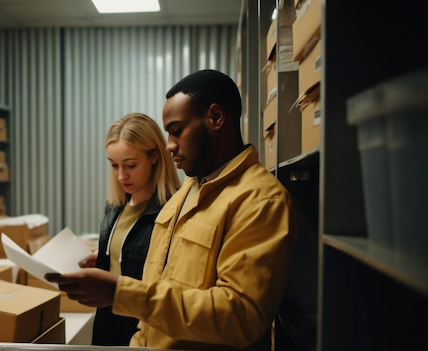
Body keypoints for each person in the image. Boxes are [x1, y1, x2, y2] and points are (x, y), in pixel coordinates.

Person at [46, 69, 298, 351]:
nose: (169, 146)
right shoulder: (186, 193)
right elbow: (156, 301)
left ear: (216, 118)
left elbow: (241, 317)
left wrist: (119, 292)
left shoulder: (261, 200)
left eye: (176, 131)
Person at [82, 112, 181, 346]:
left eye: (130, 165)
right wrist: (103, 258)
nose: (121, 175)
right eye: (114, 165)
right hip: (107, 323)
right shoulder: (115, 207)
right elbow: (126, 253)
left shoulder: (173, 210)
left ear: (154, 156)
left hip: (144, 327)